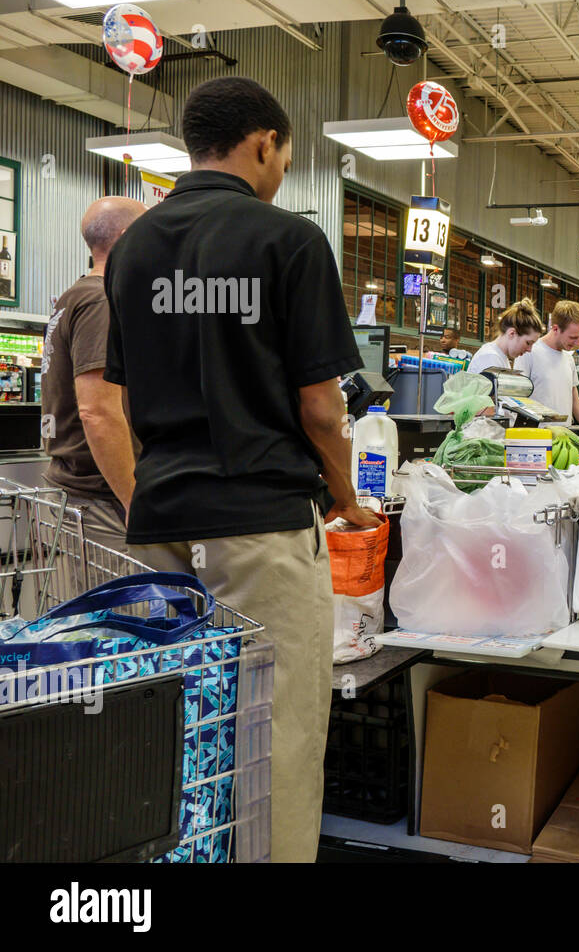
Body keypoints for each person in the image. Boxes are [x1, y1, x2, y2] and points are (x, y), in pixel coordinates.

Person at [102, 75, 381, 863]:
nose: (280, 175)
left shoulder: (133, 250)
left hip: (158, 527)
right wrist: (348, 497)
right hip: (259, 524)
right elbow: (323, 409)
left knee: (168, 729)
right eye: (284, 161)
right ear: (264, 144)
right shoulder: (288, 241)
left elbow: (122, 399)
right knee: (276, 736)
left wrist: (147, 496)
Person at [42, 197, 146, 550]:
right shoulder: (101, 301)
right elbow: (97, 411)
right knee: (121, 605)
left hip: (80, 495)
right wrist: (134, 501)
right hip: (101, 503)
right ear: (129, 237)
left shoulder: (73, 295)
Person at [516, 300, 579, 426]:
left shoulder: (569, 359)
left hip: (564, 439)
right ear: (555, 328)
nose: (577, 343)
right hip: (538, 439)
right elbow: (517, 399)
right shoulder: (529, 352)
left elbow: (575, 400)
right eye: (573, 337)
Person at [467, 298, 544, 374]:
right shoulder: (490, 358)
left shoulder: (500, 357)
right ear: (512, 333)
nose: (529, 350)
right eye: (528, 343)